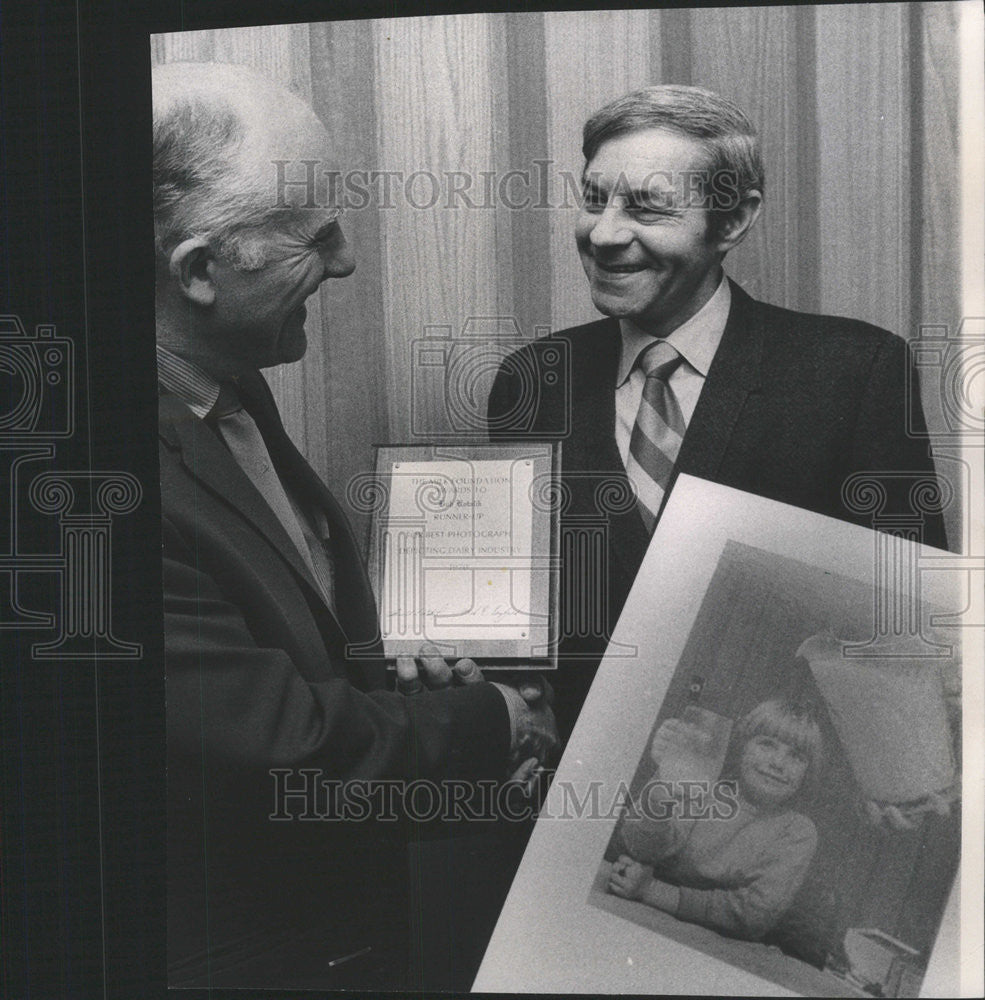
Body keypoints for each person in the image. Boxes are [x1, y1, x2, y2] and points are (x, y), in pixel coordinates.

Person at [154, 61, 556, 989]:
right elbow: (274, 746)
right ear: (199, 270)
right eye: (314, 235)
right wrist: (491, 721)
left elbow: (268, 647)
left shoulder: (228, 379)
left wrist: (401, 689)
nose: (343, 262)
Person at [487, 85, 948, 738]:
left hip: (772, 773)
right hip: (575, 790)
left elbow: (905, 621)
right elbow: (512, 629)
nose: (604, 234)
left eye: (645, 207)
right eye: (594, 199)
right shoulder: (532, 382)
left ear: (732, 220)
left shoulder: (853, 371)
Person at [608, 698, 823, 941]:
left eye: (796, 756)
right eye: (767, 744)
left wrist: (653, 891)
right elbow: (641, 848)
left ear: (808, 771)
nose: (778, 763)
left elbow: (754, 915)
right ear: (743, 746)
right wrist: (663, 780)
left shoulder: (797, 831)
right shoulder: (703, 784)